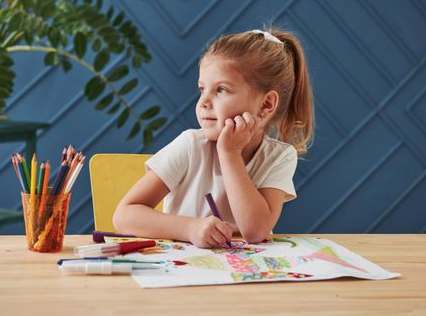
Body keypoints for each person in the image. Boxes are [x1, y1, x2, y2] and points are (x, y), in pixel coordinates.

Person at [113, 27, 314, 248]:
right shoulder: (190, 145)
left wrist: (230, 154)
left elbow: (255, 231)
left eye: (221, 90)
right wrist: (189, 228)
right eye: (202, 89)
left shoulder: (280, 157)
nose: (204, 102)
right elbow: (124, 215)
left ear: (266, 105)